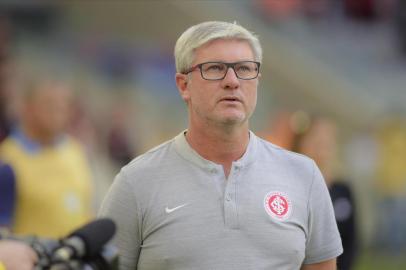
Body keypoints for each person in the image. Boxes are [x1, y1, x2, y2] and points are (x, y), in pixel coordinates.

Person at [99, 21, 342, 270]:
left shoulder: (304, 174)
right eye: (215, 68)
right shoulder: (137, 182)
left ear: (257, 80)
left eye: (244, 69)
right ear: (184, 85)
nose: (232, 81)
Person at [0, 76, 94, 238]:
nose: (58, 111)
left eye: (64, 105)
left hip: (75, 260)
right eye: (49, 104)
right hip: (31, 261)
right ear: (27, 108)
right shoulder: (8, 160)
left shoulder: (76, 152)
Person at [292, 116, 358, 270]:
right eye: (316, 138)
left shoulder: (343, 189)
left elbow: (352, 240)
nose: (322, 144)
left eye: (328, 138)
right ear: (302, 142)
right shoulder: (289, 186)